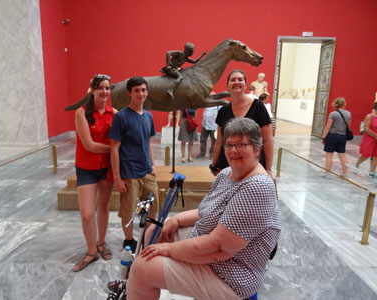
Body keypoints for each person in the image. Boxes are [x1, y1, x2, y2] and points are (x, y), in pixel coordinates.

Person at [107, 117, 281, 300]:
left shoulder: (257, 186)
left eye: (241, 145)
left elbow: (218, 248)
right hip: (212, 252)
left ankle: (137, 281)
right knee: (155, 230)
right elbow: (203, 212)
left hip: (230, 275)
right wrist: (175, 220)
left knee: (144, 267)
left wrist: (169, 250)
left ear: (257, 149)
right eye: (229, 145)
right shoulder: (228, 174)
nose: (233, 151)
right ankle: (135, 285)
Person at [72, 74, 117, 272]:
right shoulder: (81, 113)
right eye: (100, 88)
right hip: (86, 168)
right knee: (87, 214)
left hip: (106, 167)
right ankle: (91, 252)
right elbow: (89, 145)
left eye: (107, 88)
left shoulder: (114, 113)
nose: (104, 91)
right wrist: (113, 149)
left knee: (103, 206)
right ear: (92, 90)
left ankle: (101, 243)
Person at [109, 76, 159, 253]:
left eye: (143, 90)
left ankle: (148, 236)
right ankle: (129, 239)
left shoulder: (148, 116)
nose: (141, 93)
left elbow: (148, 142)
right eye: (137, 90)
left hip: (147, 172)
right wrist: (117, 177)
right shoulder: (121, 117)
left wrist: (153, 165)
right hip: (129, 173)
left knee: (152, 208)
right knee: (129, 211)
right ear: (129, 93)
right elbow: (114, 148)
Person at [211, 70, 273, 177]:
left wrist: (268, 169)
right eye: (233, 80)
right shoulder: (223, 111)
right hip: (227, 164)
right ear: (228, 86)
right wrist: (214, 164)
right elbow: (219, 142)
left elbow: (267, 140)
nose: (237, 82)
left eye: (240, 79)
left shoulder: (258, 107)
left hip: (252, 166)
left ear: (245, 85)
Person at [321, 97, 351, 176]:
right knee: (342, 156)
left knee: (329, 155)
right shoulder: (348, 114)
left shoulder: (333, 114)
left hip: (332, 136)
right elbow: (348, 126)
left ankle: (327, 173)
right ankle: (345, 173)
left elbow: (328, 127)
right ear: (344, 104)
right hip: (342, 136)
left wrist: (324, 137)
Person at [356, 100, 377, 178]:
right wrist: (375, 135)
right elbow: (366, 129)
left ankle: (372, 172)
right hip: (369, 138)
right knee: (366, 154)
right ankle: (357, 164)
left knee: (376, 155)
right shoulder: (369, 116)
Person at [200, 93, 222, 158]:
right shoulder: (206, 103)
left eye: (211, 96)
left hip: (214, 126)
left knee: (214, 141)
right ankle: (202, 153)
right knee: (202, 140)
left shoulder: (218, 105)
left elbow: (220, 114)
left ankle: (212, 154)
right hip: (205, 125)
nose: (210, 97)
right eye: (209, 96)